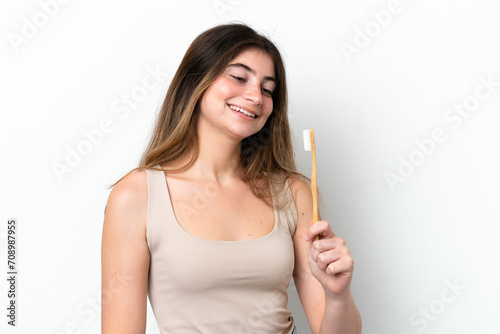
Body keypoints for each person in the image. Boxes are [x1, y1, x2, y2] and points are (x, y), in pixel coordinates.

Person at [101, 23, 361, 334]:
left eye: (268, 89)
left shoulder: (294, 192)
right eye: (239, 77)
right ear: (195, 81)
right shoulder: (136, 195)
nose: (255, 96)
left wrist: (337, 295)